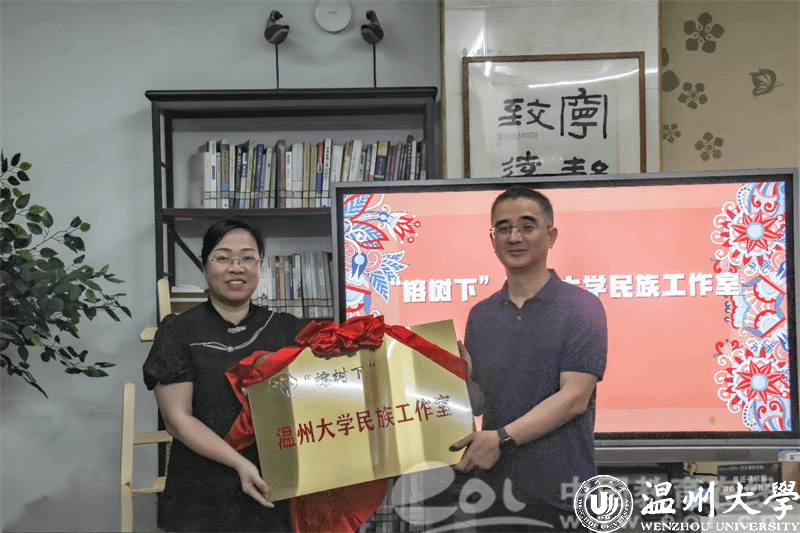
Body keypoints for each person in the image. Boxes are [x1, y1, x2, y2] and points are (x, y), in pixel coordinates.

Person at [450, 186, 608, 532]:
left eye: (527, 226)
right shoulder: (482, 315)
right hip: (496, 494)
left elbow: (574, 398)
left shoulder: (582, 307)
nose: (514, 237)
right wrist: (463, 377)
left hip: (562, 495)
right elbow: (479, 404)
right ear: (492, 239)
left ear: (551, 235)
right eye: (503, 228)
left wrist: (501, 439)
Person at [143, 219, 306, 532]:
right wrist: (238, 462)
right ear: (204, 267)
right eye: (223, 257)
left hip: (274, 488)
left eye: (247, 257)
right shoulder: (178, 331)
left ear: (260, 266)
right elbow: (177, 420)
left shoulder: (288, 329)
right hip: (201, 492)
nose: (236, 267)